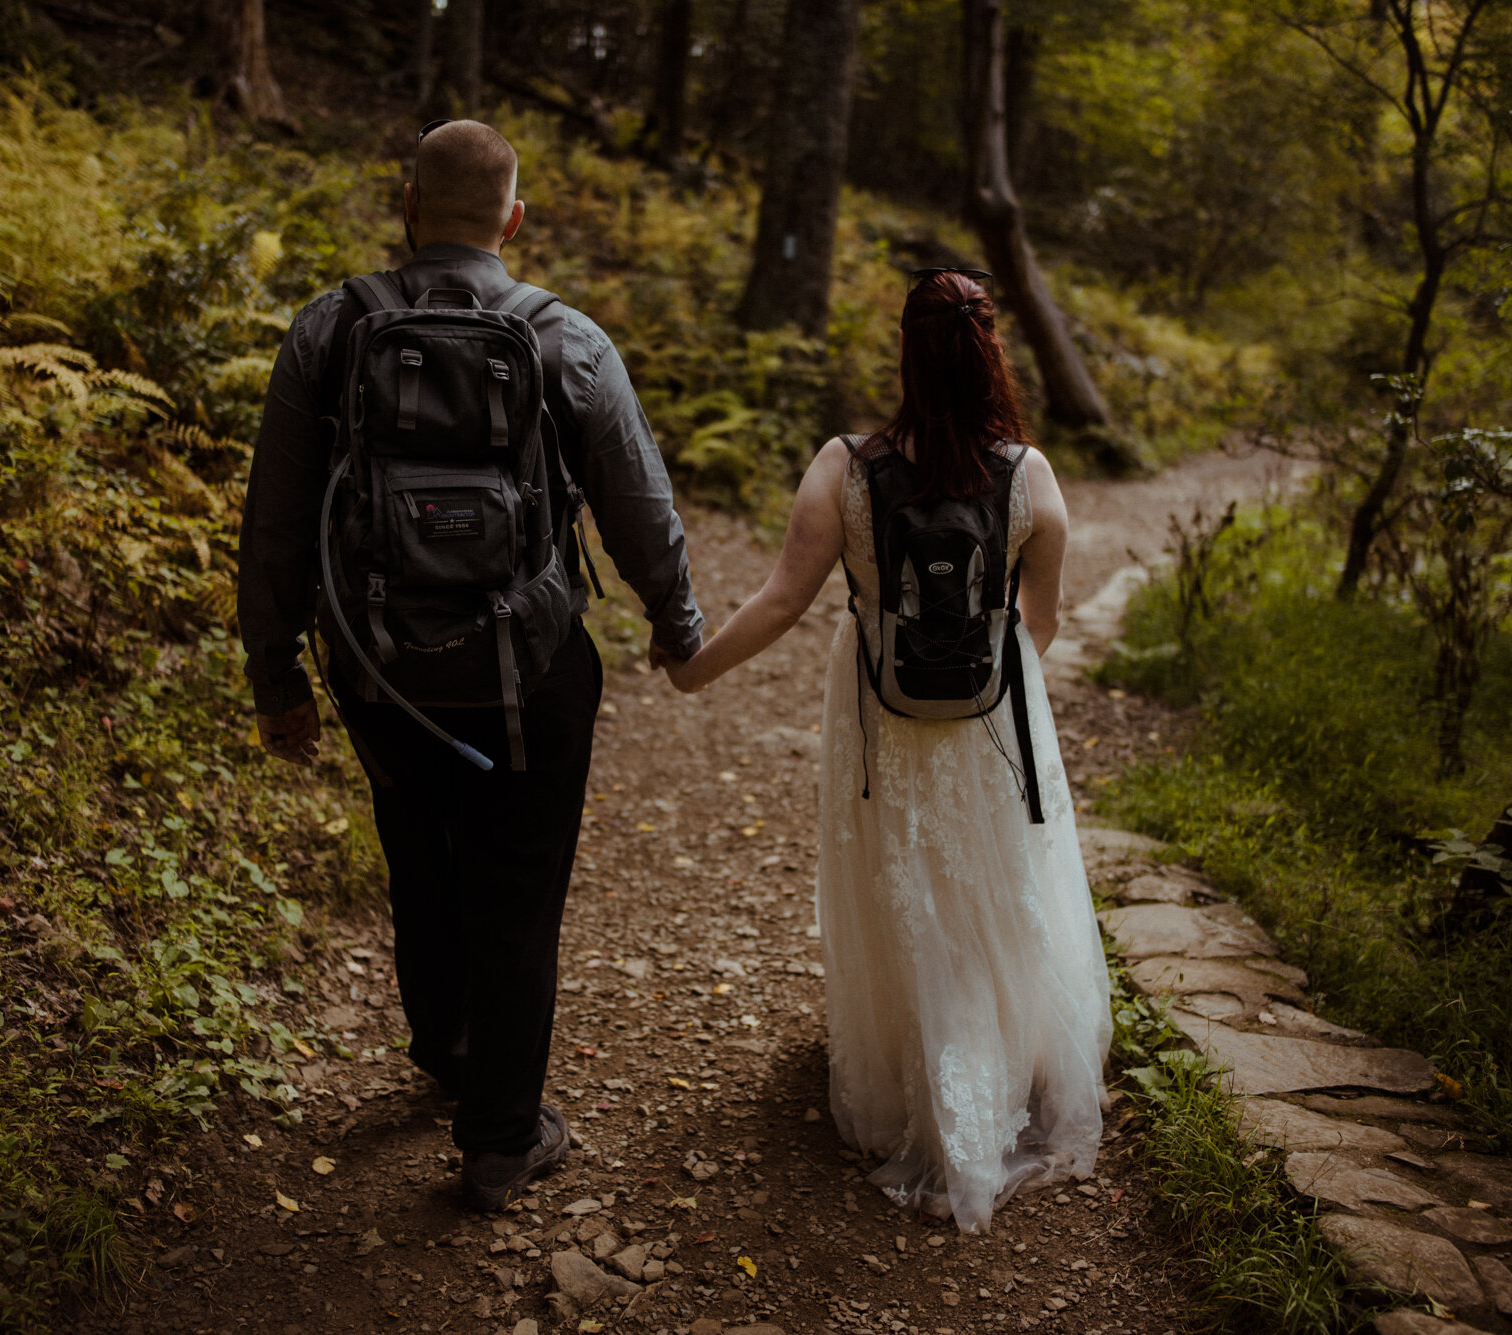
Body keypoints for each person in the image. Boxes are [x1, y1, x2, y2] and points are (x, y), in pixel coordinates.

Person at [237, 119, 703, 1210]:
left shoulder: (328, 329)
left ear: (406, 204)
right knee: (517, 887)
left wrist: (277, 677)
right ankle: (498, 1137)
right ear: (513, 218)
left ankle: (447, 1049)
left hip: (378, 666)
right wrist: (676, 628)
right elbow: (642, 512)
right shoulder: (563, 338)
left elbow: (274, 521)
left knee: (419, 850)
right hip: (527, 671)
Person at [668, 269, 1111, 1231]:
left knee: (901, 882)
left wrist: (692, 668)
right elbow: (1043, 623)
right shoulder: (1031, 475)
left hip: (880, 712)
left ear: (907, 352)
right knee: (993, 884)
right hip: (993, 719)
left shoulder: (846, 465)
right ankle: (990, 1081)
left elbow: (784, 598)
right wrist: (981, 676)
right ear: (991, 350)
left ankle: (911, 1077)